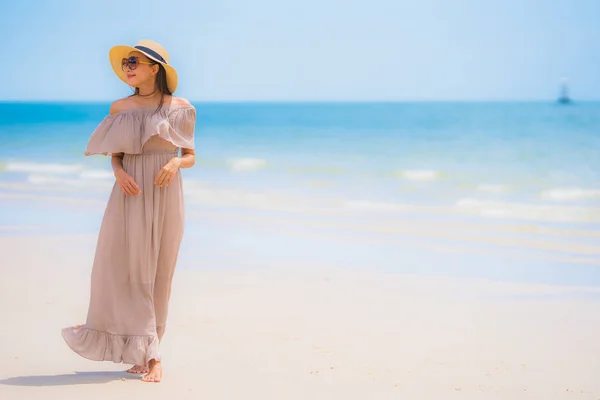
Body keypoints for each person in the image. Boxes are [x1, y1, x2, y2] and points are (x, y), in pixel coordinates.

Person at [62, 39, 196, 383]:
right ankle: (146, 352)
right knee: (125, 271)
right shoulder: (120, 107)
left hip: (165, 194)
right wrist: (119, 173)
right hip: (129, 193)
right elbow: (116, 154)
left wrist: (176, 163)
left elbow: (190, 154)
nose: (128, 67)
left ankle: (152, 351)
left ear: (156, 69)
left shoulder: (180, 107)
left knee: (159, 273)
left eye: (134, 61)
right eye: (125, 63)